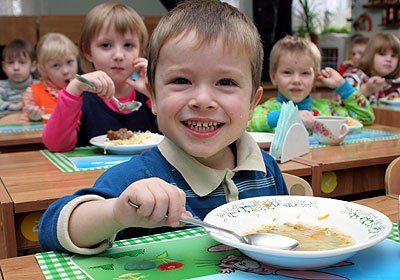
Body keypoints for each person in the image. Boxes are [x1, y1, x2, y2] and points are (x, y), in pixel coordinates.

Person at [38, 0, 288, 254]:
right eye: (181, 80)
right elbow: (50, 229)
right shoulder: (137, 178)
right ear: (153, 97)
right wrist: (116, 212)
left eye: (226, 82)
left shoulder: (266, 169)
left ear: (251, 104)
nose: (202, 100)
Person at [42, 3, 158, 152]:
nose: (118, 55)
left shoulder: (147, 94)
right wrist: (73, 88)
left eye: (128, 45)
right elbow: (56, 145)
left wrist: (155, 93)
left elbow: (176, 142)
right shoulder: (80, 97)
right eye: (106, 45)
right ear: (88, 51)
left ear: (140, 51)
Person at [249, 35, 375, 133]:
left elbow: (365, 118)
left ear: (315, 79)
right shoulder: (267, 111)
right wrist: (287, 115)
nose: (296, 80)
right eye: (287, 72)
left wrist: (342, 85)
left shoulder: (328, 110)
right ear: (273, 77)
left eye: (305, 73)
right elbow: (247, 124)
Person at [20, 33, 79, 122]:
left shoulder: (86, 90)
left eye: (69, 62)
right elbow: (23, 129)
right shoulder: (32, 93)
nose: (65, 71)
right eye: (56, 65)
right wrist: (33, 119)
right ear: (42, 69)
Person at [343, 32, 400, 103]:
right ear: (370, 55)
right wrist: (366, 89)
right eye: (382, 54)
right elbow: (342, 100)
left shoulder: (394, 82)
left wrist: (396, 94)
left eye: (393, 56)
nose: (389, 59)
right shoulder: (354, 77)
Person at [0, 39, 37, 115]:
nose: (16, 67)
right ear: (4, 67)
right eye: (10, 63)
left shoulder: (39, 86)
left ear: (33, 66)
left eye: (22, 62)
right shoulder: (2, 86)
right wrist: (11, 106)